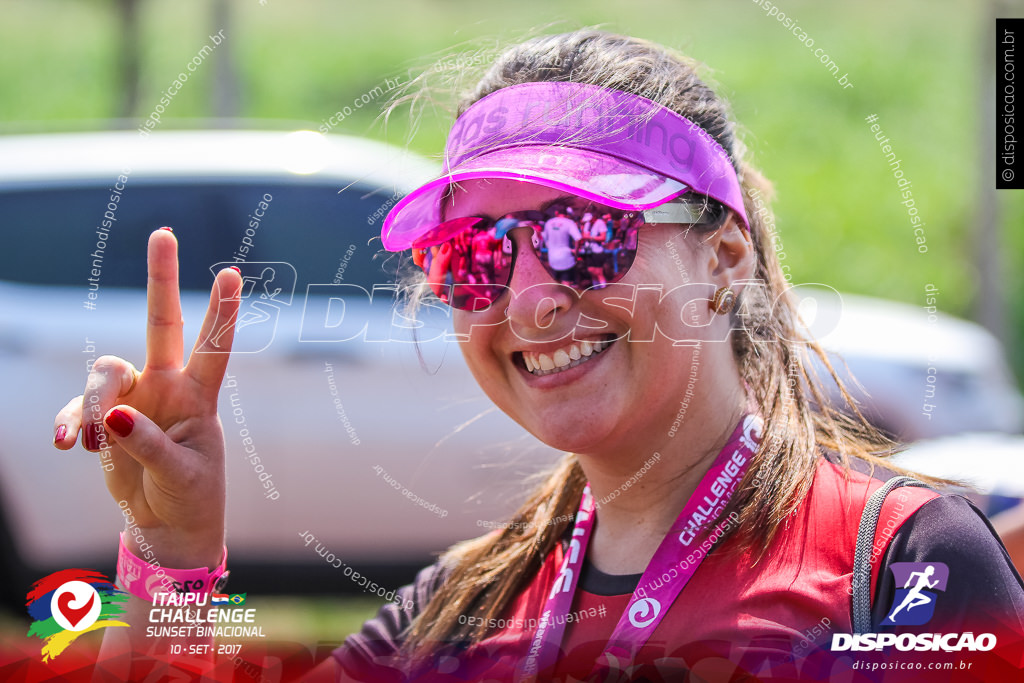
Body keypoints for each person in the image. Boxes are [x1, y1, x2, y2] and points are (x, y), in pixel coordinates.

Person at [52, 30, 1024, 682]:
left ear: (723, 254)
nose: (526, 298)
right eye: (474, 254)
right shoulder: (451, 614)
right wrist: (172, 553)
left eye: (582, 234)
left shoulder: (901, 566)